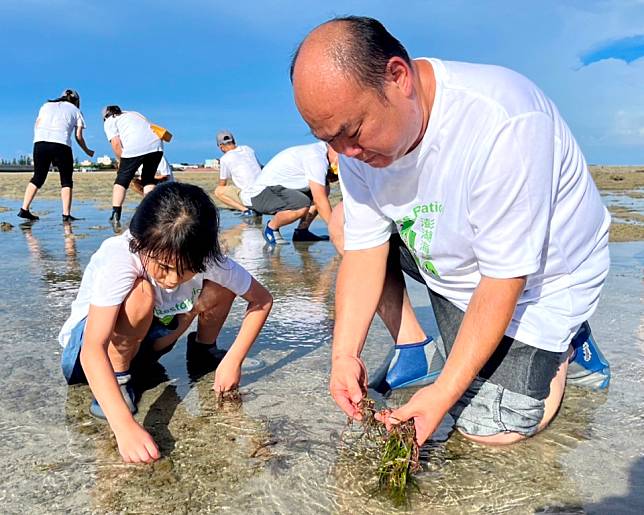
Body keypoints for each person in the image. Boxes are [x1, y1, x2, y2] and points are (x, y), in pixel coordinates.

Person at [291, 16, 611, 446]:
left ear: (398, 76)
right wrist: (344, 355)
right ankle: (415, 344)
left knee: (492, 430)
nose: (346, 153)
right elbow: (367, 252)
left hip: (537, 281)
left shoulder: (502, 122)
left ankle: (569, 341)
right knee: (347, 223)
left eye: (352, 132)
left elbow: (505, 278)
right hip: (453, 258)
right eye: (329, 140)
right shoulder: (354, 150)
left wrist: (442, 394)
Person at [58, 182, 273, 463]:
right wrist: (124, 426)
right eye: (164, 267)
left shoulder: (209, 259)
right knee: (141, 294)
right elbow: (92, 349)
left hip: (146, 342)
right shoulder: (121, 257)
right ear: (139, 241)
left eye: (185, 271)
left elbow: (262, 301)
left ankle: (203, 352)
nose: (172, 280)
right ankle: (120, 384)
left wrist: (234, 360)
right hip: (85, 356)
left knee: (221, 287)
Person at [18, 89, 94, 221]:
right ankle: (66, 214)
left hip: (40, 143)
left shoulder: (46, 106)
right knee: (66, 180)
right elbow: (78, 136)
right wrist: (87, 151)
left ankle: (24, 209)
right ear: (76, 101)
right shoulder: (76, 111)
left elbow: (37, 125)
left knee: (38, 177)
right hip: (61, 144)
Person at [247, 142, 338, 244]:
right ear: (331, 146)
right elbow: (319, 199)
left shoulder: (322, 152)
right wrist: (336, 231)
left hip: (281, 187)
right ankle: (271, 228)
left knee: (324, 187)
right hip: (261, 194)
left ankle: (302, 232)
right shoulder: (316, 158)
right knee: (301, 206)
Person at [102, 105, 165, 223]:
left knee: (121, 181)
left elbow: (116, 144)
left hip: (135, 145)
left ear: (105, 116)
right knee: (148, 179)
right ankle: (151, 212)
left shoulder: (109, 121)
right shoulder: (134, 114)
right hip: (156, 145)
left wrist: (121, 163)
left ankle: (116, 214)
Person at [213, 130, 262, 216]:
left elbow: (222, 184)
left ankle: (246, 210)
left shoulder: (225, 158)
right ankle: (254, 210)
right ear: (233, 141)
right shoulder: (248, 149)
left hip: (250, 198)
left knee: (218, 191)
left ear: (221, 146)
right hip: (262, 194)